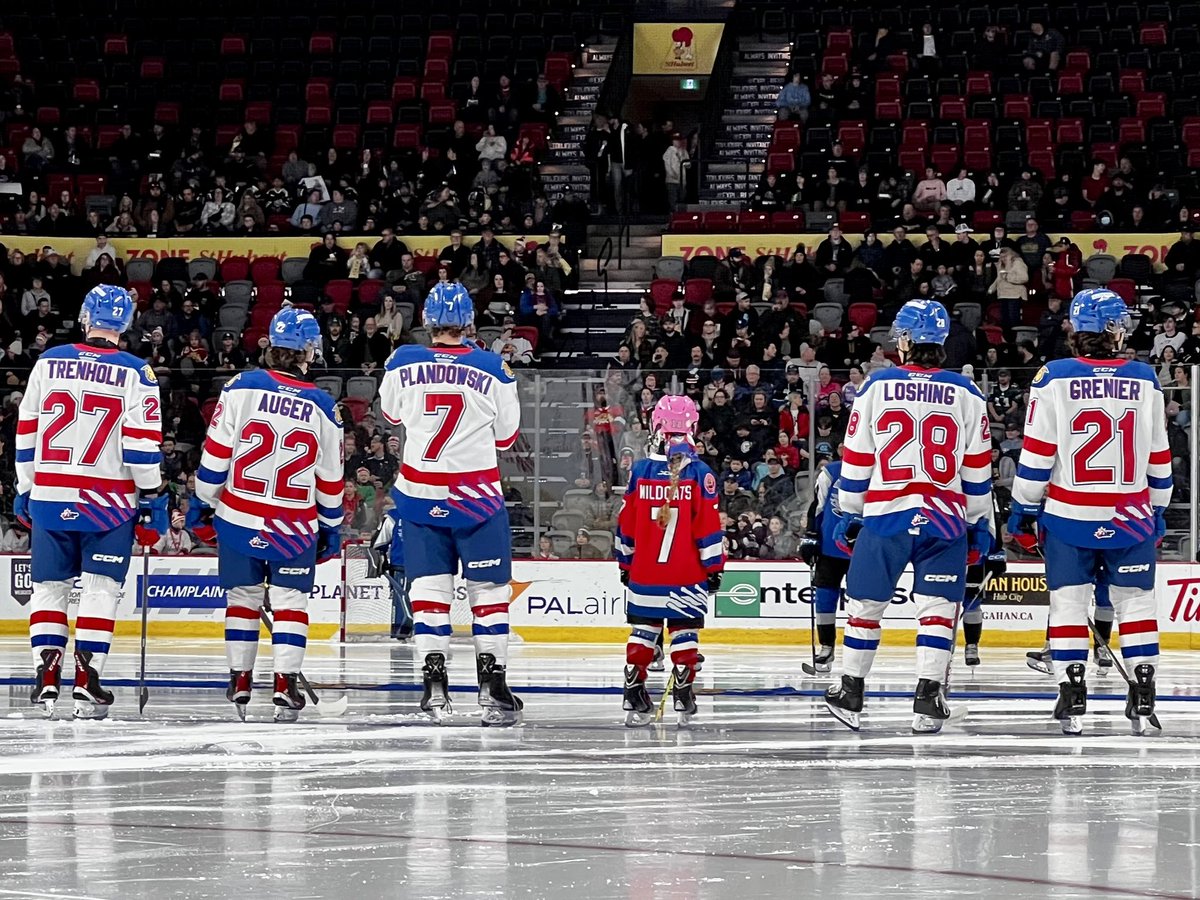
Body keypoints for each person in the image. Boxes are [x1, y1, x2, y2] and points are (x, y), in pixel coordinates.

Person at [825, 299, 992, 733]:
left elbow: (857, 457)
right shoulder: (967, 393)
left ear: (903, 340)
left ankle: (851, 691)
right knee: (938, 609)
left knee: (866, 605)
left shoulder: (876, 387)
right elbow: (978, 470)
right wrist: (979, 522)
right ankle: (928, 696)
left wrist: (851, 512)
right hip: (946, 517)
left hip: (886, 514)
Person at [1008, 289, 1169, 735]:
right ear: (1115, 330)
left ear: (1076, 330)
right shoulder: (1144, 377)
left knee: (1068, 603)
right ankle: (1144, 689)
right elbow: (1159, 455)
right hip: (1130, 513)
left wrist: (1023, 505)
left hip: (1068, 514)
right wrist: (1157, 508)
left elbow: (1038, 452)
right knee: (1136, 603)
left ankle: (1072, 694)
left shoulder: (1053, 376)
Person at [16, 285, 165, 719]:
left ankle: (46, 675)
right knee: (100, 590)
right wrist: (152, 492)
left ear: (85, 316)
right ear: (127, 323)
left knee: (49, 587)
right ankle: (86, 679)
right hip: (108, 503)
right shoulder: (138, 373)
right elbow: (140, 450)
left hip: (48, 494)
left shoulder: (49, 361)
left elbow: (26, 429)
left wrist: (26, 486)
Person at [378, 282, 522, 726]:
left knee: (429, 593)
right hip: (476, 495)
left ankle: (434, 686)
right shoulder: (495, 367)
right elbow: (507, 437)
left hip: (420, 493)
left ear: (427, 319)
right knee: (490, 595)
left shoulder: (402, 360)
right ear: (469, 322)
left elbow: (392, 416)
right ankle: (492, 686)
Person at [196, 306, 345, 722]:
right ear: (309, 352)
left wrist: (204, 499)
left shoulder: (242, 386)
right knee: (290, 603)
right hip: (293, 524)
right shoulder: (323, 406)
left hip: (239, 514)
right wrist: (331, 525)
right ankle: (284, 685)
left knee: (241, 600)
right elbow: (330, 478)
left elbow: (217, 453)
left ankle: (240, 680)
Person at [615, 395, 724, 727]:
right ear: (692, 427)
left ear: (656, 427)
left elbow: (626, 525)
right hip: (685, 574)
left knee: (644, 630)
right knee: (683, 632)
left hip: (646, 572)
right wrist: (714, 568)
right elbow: (708, 528)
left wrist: (625, 563)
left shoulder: (641, 471)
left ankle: (633, 686)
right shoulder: (701, 474)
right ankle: (682, 692)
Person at [799, 459, 849, 673]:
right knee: (825, 598)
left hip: (864, 549)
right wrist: (811, 535)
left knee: (863, 603)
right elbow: (817, 506)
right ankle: (826, 647)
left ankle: (858, 654)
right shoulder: (831, 472)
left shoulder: (880, 470)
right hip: (830, 547)